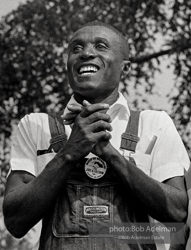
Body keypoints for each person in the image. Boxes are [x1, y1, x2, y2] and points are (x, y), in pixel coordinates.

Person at [3, 21, 190, 250]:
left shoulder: (155, 124)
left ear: (126, 67)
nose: (86, 53)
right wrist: (69, 153)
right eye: (76, 49)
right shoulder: (34, 126)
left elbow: (178, 214)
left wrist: (111, 155)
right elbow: (15, 222)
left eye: (101, 46)